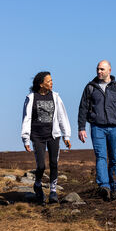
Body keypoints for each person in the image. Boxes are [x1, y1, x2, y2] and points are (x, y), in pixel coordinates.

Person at [78, 60, 116, 201]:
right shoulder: (90, 88)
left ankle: (115, 187)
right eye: (97, 69)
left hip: (115, 128)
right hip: (97, 128)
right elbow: (83, 108)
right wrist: (81, 128)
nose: (99, 72)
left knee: (114, 158)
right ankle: (104, 187)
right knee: (101, 157)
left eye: (102, 69)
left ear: (109, 70)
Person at [21, 71, 72, 204]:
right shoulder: (31, 98)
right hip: (37, 136)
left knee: (54, 163)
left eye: (51, 80)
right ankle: (37, 184)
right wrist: (26, 138)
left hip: (53, 135)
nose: (51, 83)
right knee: (41, 166)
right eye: (48, 81)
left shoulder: (55, 97)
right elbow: (26, 119)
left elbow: (62, 116)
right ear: (41, 84)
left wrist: (66, 135)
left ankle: (53, 191)